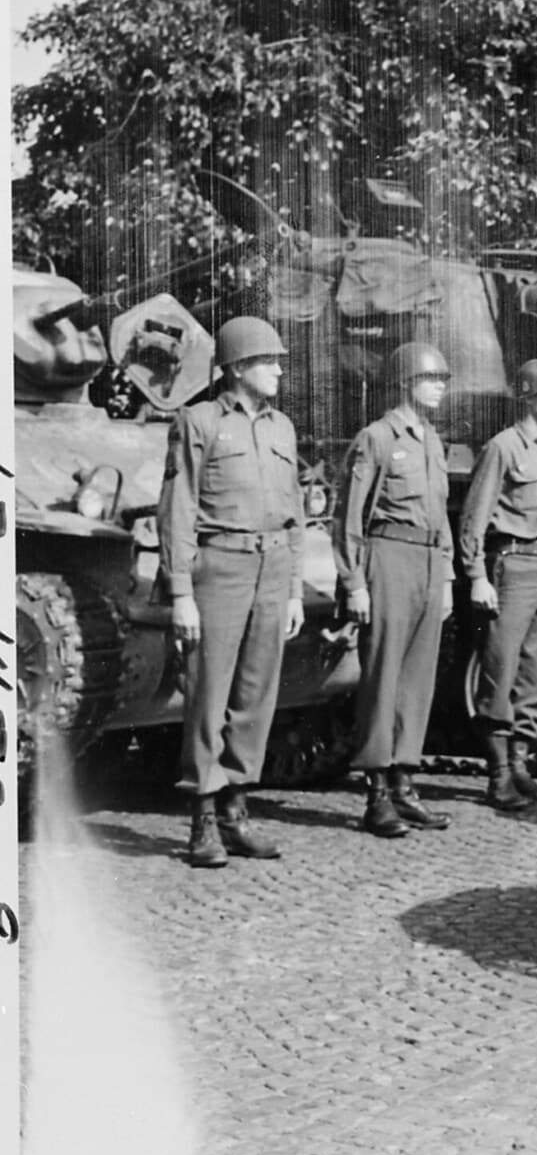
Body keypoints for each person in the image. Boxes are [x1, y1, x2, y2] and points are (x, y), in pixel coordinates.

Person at [158, 315, 306, 869]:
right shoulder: (197, 422)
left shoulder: (282, 428)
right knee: (208, 696)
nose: (279, 371)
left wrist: (294, 590)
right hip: (219, 568)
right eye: (269, 362)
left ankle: (235, 812)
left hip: (273, 568)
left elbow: (295, 513)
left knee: (255, 696)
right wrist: (181, 593)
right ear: (239, 367)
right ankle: (202, 818)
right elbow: (177, 510)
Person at [337, 341, 456, 838]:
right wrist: (354, 583)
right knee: (383, 677)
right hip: (388, 558)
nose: (440, 388)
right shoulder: (377, 438)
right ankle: (377, 794)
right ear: (406, 382)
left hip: (428, 562)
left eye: (443, 380)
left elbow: (440, 516)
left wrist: (446, 577)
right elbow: (349, 518)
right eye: (432, 379)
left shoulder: (432, 442)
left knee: (417, 681)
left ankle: (405, 785)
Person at [458, 357, 537, 813]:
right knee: (499, 667)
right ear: (527, 397)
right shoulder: (503, 447)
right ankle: (499, 774)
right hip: (513, 565)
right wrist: (476, 575)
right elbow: (474, 516)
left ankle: (521, 762)